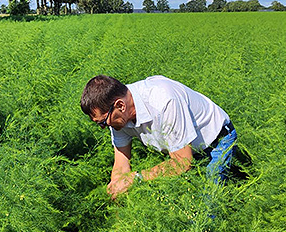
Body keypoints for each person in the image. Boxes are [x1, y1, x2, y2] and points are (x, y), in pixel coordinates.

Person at [80, 75, 237, 200]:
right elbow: (121, 163)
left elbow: (182, 163)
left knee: (207, 207)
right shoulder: (117, 118)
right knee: (183, 201)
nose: (103, 127)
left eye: (102, 122)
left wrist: (135, 179)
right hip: (182, 151)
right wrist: (116, 188)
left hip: (217, 141)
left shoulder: (163, 101)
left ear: (120, 105)